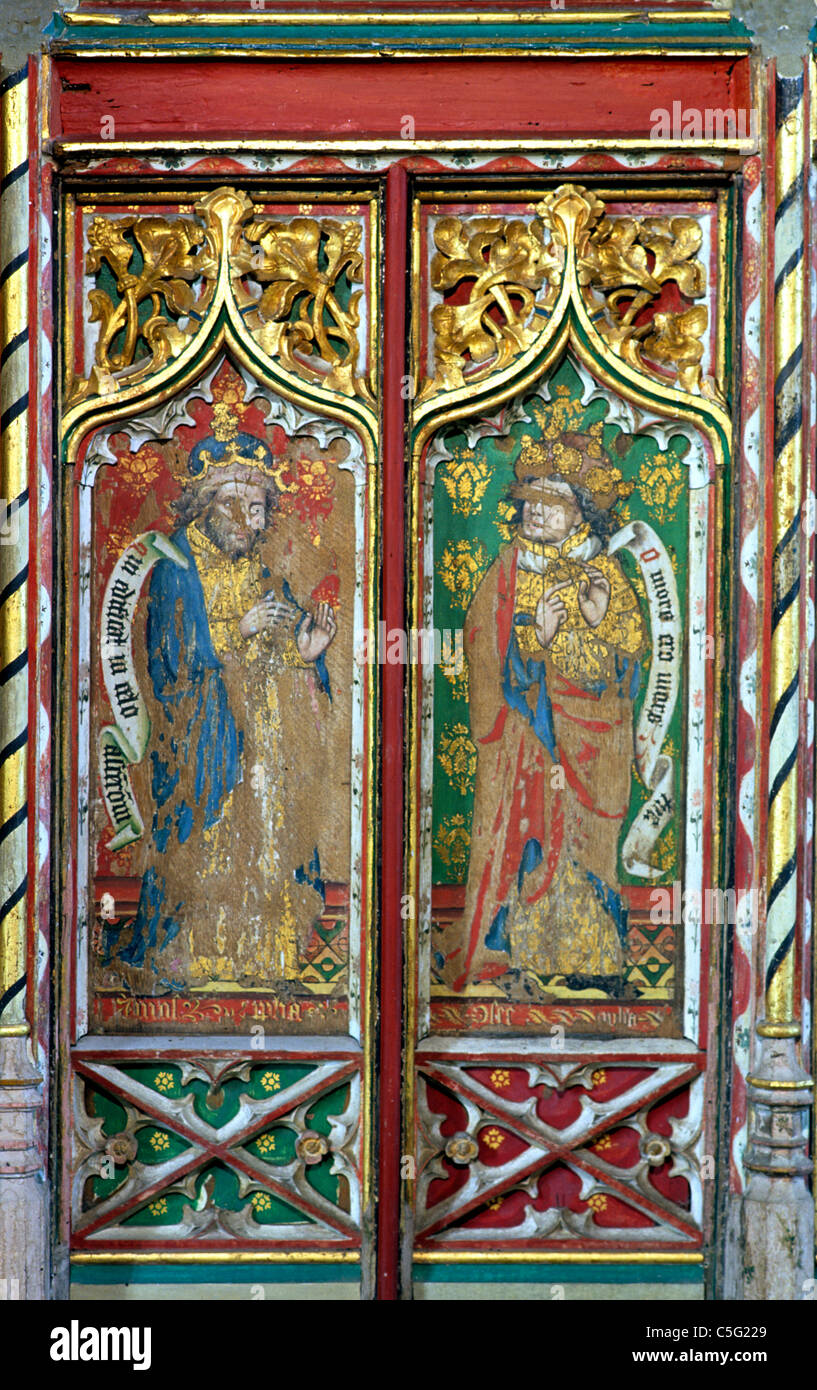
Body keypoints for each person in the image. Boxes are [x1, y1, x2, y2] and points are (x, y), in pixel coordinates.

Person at [107, 399, 338, 992]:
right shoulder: (179, 568)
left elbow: (281, 659)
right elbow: (169, 665)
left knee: (264, 832)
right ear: (204, 506)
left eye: (257, 507)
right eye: (233, 503)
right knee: (208, 838)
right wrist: (236, 633)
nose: (246, 518)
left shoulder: (267, 576)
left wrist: (304, 654)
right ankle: (193, 957)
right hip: (203, 742)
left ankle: (261, 958)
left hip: (262, 739)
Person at [441, 423, 647, 997]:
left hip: (591, 740)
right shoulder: (508, 572)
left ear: (581, 513)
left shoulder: (605, 573)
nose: (537, 512)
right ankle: (508, 958)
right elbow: (481, 647)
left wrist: (599, 621)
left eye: (553, 503)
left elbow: (628, 663)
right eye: (531, 499)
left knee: (583, 847)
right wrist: (533, 644)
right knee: (526, 835)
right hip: (524, 735)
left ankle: (590, 956)